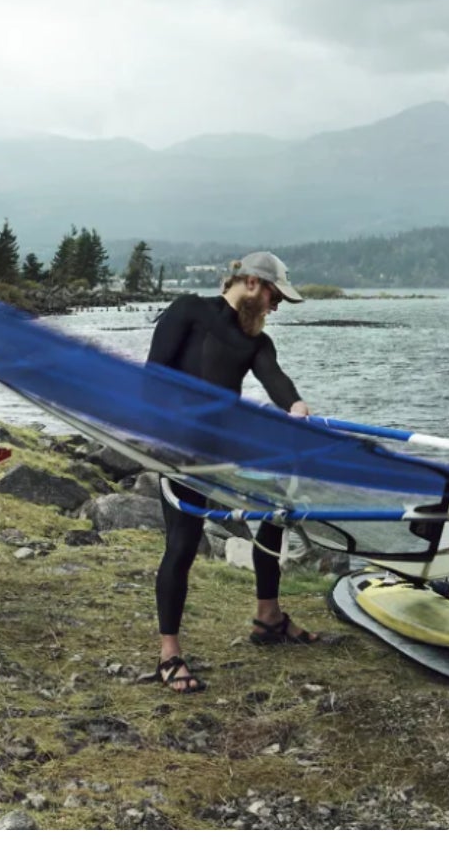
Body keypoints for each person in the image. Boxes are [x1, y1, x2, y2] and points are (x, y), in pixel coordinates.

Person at [146, 251, 318, 694]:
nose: (276, 307)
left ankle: (268, 617)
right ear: (255, 285)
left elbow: (274, 379)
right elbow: (153, 376)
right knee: (183, 541)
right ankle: (169, 655)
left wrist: (295, 407)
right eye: (276, 297)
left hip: (223, 447)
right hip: (180, 447)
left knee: (277, 506)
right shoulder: (189, 310)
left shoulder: (255, 340)